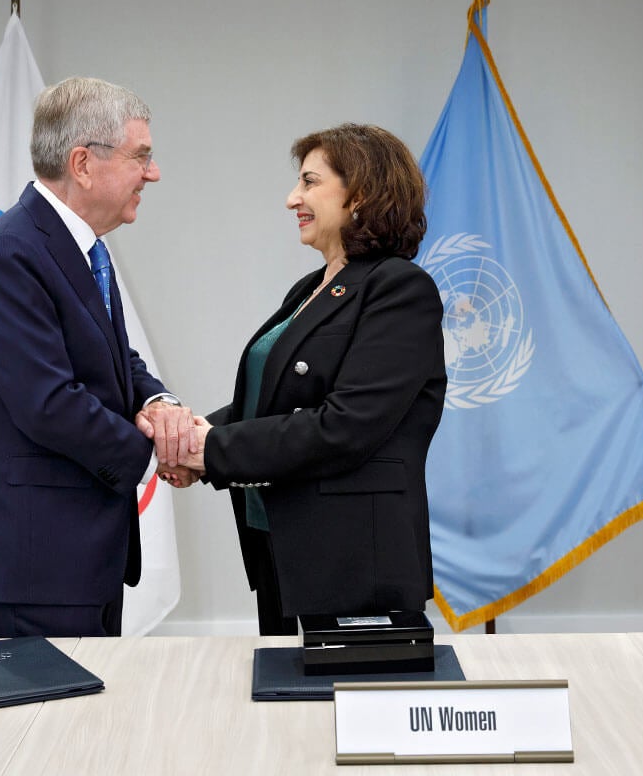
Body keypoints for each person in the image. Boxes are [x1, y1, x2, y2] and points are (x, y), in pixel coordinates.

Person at [0, 76, 196, 638]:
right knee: (34, 727)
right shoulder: (6, 251)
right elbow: (49, 402)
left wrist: (160, 404)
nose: (152, 173)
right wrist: (161, 448)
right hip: (32, 561)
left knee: (89, 726)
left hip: (80, 557)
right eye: (142, 157)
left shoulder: (81, 248)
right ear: (83, 163)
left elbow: (113, 361)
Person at [180, 124, 447, 635]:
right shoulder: (311, 288)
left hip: (352, 561)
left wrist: (209, 449)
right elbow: (270, 402)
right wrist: (190, 433)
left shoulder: (400, 289)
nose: (292, 199)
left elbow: (346, 426)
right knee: (286, 708)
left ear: (361, 194)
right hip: (281, 545)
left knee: (350, 709)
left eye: (309, 182)